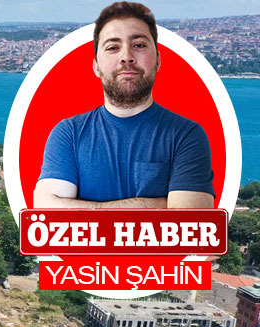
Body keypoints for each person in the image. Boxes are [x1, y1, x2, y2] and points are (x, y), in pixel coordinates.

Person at [35, 1, 213, 210]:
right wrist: (158, 206)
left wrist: (82, 209)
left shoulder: (186, 135)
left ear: (157, 60)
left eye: (138, 45)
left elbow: (191, 222)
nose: (126, 57)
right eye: (113, 47)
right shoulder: (69, 133)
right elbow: (46, 210)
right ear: (96, 66)